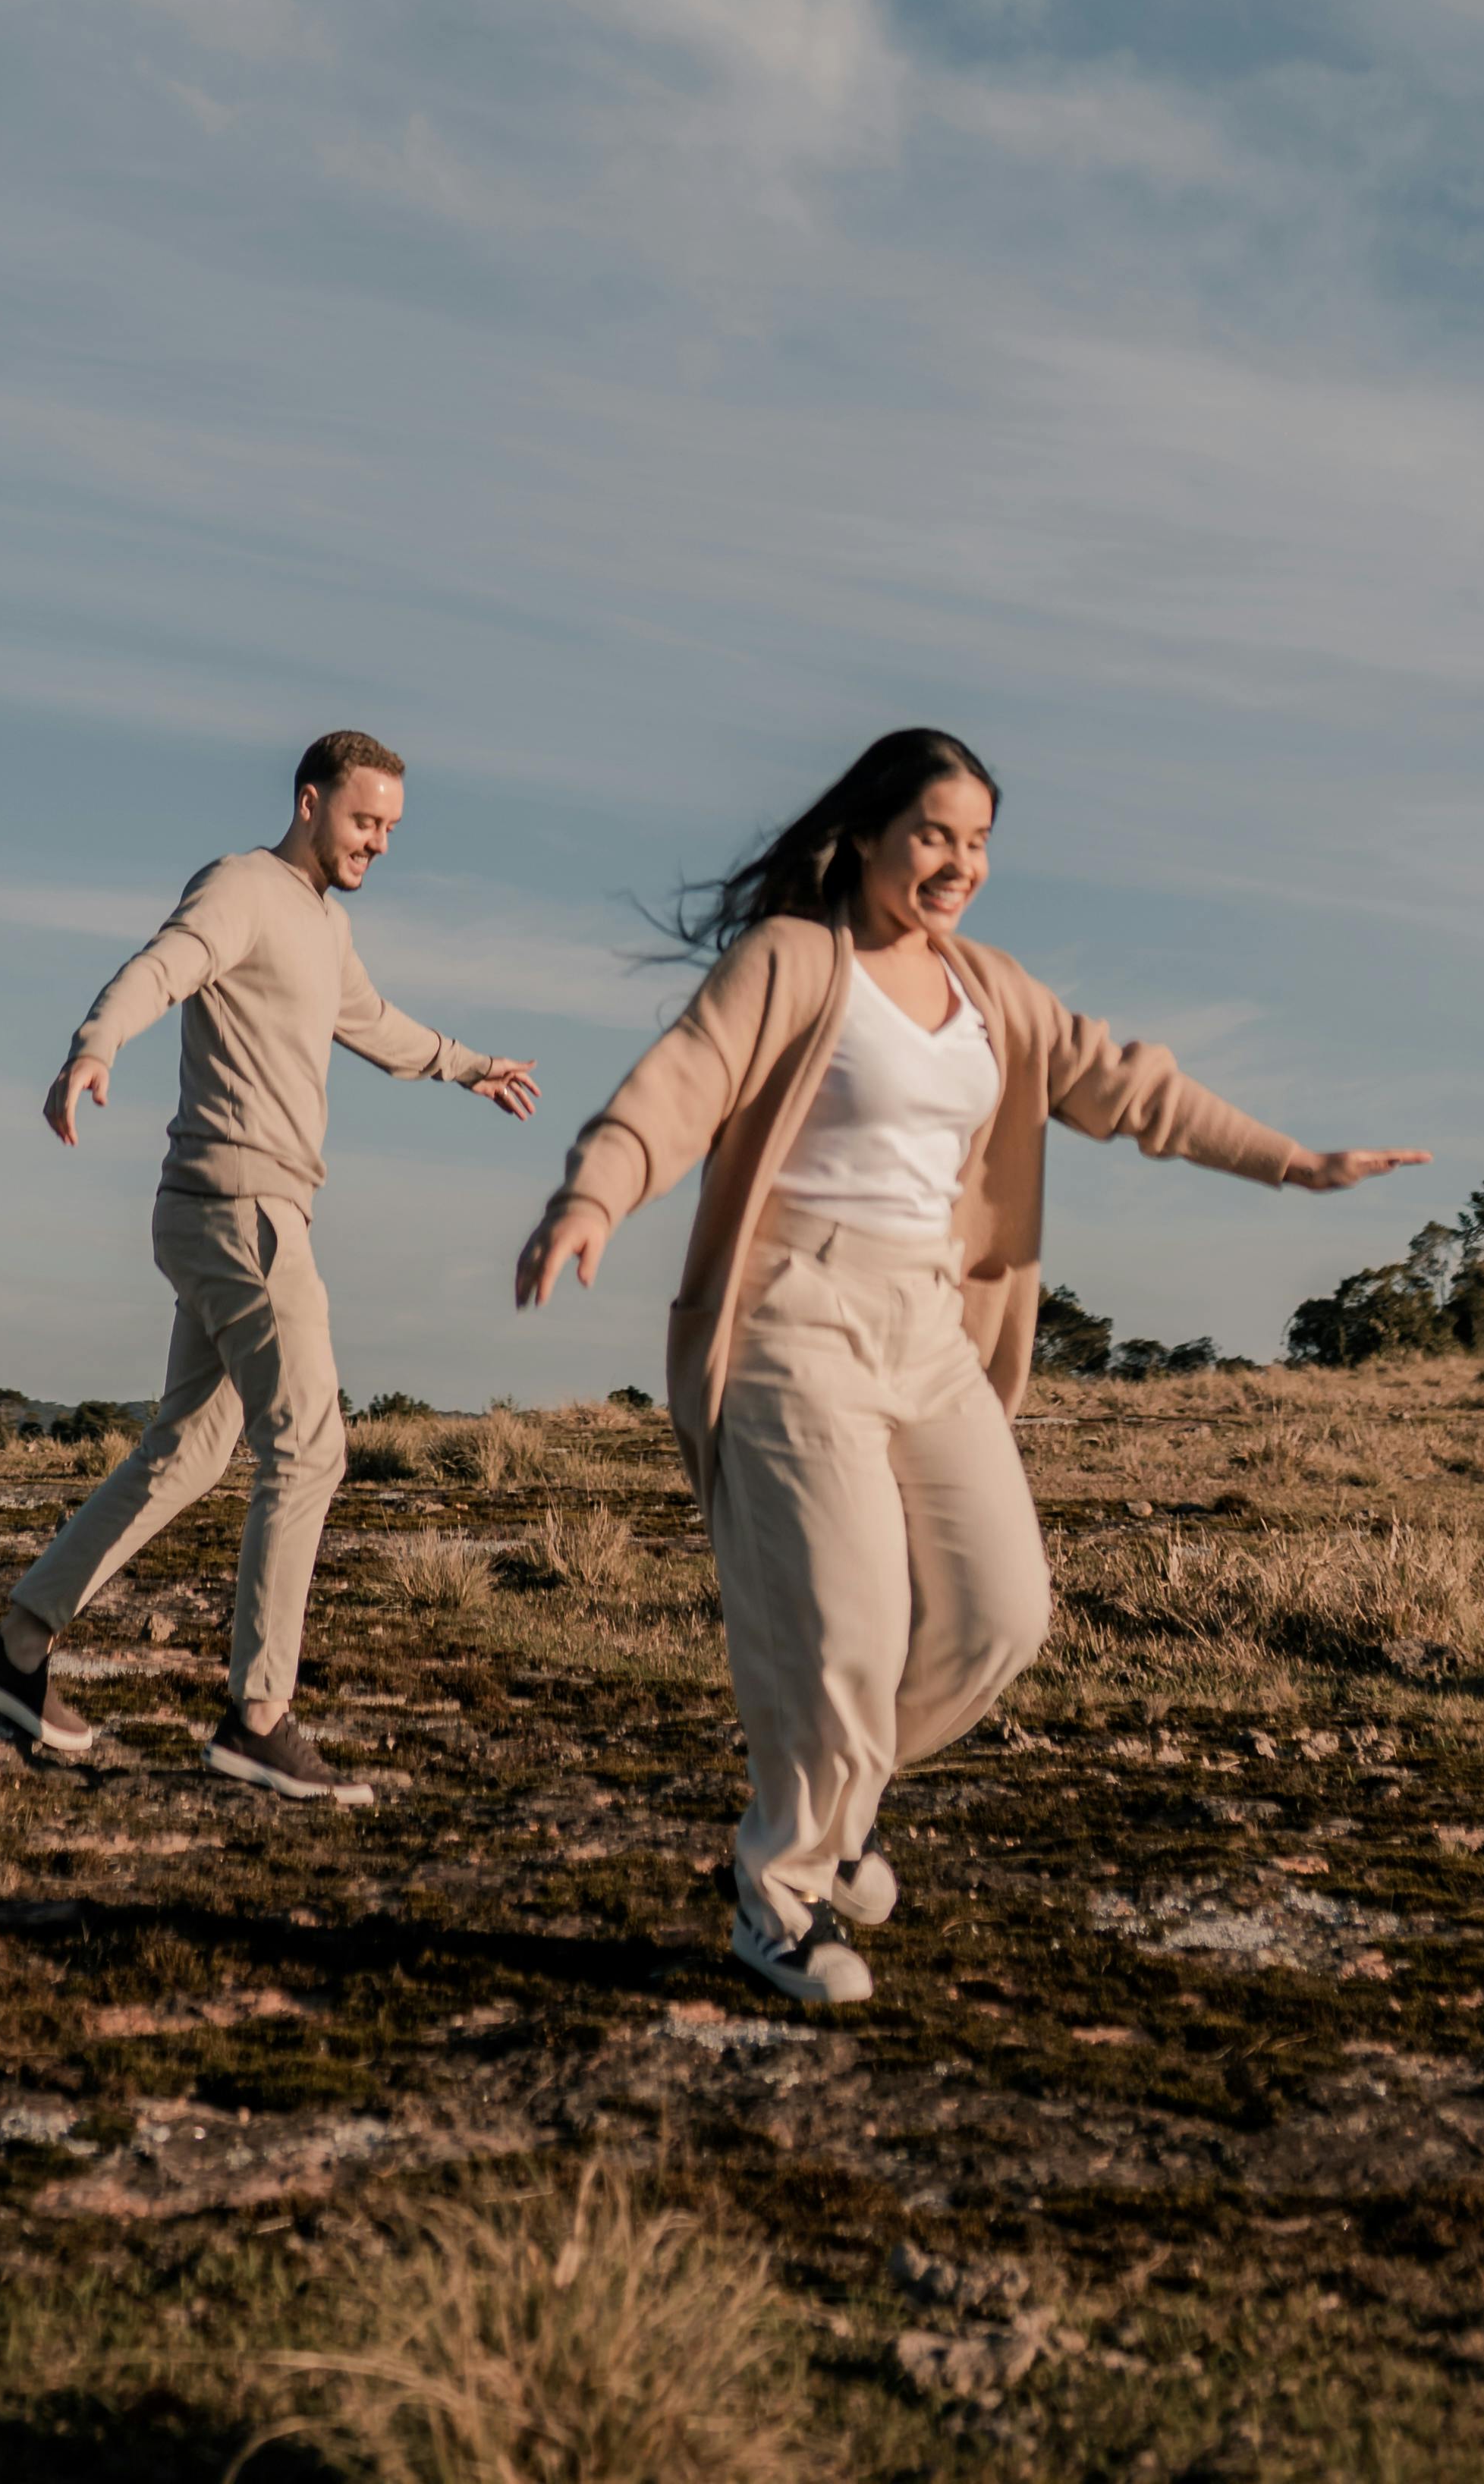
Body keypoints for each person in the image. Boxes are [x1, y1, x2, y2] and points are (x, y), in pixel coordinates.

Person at [513, 725, 1427, 2009]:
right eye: (936, 834)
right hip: (794, 1313)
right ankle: (774, 1901)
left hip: (932, 1330)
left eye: (980, 841)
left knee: (1003, 1616)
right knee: (850, 1630)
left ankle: (841, 1807)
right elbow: (679, 1086)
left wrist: (1294, 1161)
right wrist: (593, 1198)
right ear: (870, 837)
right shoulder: (795, 959)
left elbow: (1132, 1087)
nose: (959, 862)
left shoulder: (992, 991)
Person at [0, 729, 539, 1798]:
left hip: (223, 1212)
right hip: (244, 1210)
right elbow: (164, 966)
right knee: (312, 1448)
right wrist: (96, 1046)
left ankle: (17, 1647)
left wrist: (467, 1067)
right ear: (311, 801)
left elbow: (366, 1020)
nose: (379, 843)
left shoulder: (324, 925)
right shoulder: (242, 886)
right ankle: (258, 1718)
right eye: (367, 821)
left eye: (393, 829)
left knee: (190, 1449)